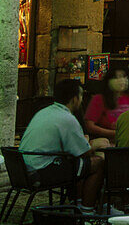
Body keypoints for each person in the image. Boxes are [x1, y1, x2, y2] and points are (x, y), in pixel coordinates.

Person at [20, 78, 105, 207]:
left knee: (77, 164)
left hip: (24, 170)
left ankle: (75, 203)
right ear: (74, 98)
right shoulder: (67, 118)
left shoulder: (44, 112)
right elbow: (83, 152)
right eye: (81, 95)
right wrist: (96, 144)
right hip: (41, 171)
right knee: (97, 163)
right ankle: (87, 210)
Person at [83, 66, 129, 143]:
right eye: (117, 77)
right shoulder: (99, 99)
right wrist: (113, 133)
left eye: (124, 76)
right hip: (107, 144)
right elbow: (89, 126)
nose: (122, 80)